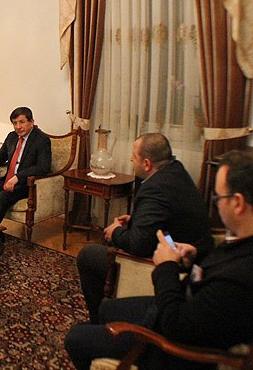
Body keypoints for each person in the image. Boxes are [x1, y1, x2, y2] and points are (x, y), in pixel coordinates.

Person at [65, 150, 253, 369]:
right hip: (180, 305)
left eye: (218, 198)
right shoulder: (241, 241)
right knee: (106, 310)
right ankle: (99, 335)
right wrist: (195, 256)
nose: (216, 204)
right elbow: (214, 268)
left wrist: (166, 266)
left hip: (171, 342)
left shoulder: (239, 277)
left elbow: (176, 326)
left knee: (75, 337)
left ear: (237, 203)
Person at [76, 133, 214, 324]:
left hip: (175, 264)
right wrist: (135, 220)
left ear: (147, 163)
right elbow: (165, 218)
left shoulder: (154, 189)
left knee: (88, 255)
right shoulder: (176, 171)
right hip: (186, 249)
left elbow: (138, 244)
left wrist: (115, 231)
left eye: (134, 156)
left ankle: (98, 320)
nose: (131, 159)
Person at [0, 107, 51, 224]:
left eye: (22, 122)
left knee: (1, 197)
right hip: (7, 180)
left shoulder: (41, 140)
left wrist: (18, 177)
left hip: (25, 185)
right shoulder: (12, 137)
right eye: (15, 123)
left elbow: (43, 167)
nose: (18, 127)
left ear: (31, 122)